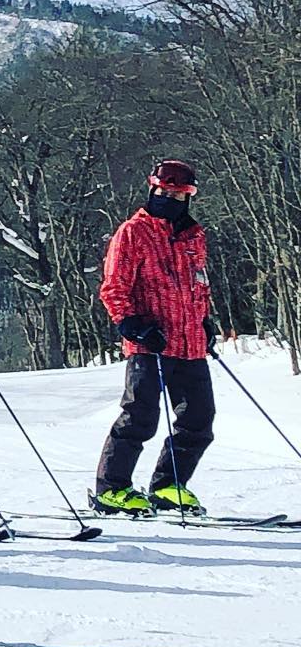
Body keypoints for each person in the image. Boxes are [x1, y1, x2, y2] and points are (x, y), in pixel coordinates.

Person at [94, 158, 215, 517]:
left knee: (199, 420)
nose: (171, 199)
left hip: (190, 343)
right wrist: (131, 324)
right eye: (165, 192)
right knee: (140, 417)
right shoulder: (133, 232)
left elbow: (199, 284)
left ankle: (168, 485)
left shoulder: (194, 236)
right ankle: (112, 488)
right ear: (152, 189)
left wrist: (205, 321)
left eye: (179, 194)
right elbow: (113, 287)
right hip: (150, 344)